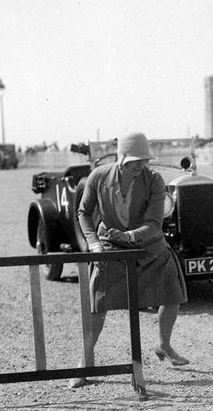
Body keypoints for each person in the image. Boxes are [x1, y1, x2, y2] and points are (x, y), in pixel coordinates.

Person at [68, 131, 189, 389]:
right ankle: (84, 365)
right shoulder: (98, 176)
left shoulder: (154, 180)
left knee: (172, 292)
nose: (141, 166)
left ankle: (163, 344)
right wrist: (94, 244)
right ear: (121, 158)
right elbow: (84, 213)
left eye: (144, 161)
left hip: (147, 244)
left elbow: (155, 224)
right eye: (135, 161)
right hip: (109, 246)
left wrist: (130, 235)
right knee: (98, 302)